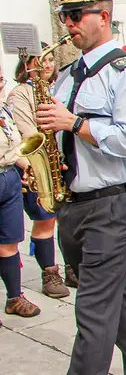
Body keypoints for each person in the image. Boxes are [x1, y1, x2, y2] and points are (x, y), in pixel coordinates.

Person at [39, 0, 126, 373]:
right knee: (113, 302)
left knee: (92, 313)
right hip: (73, 206)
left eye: (75, 16)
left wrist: (73, 123)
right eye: (64, 16)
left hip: (112, 205)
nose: (68, 25)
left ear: (104, 16)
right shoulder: (67, 74)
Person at [9, 44, 77, 295]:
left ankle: (71, 265)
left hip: (61, 161)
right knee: (45, 221)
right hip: (39, 164)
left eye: (49, 60)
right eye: (41, 61)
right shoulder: (19, 93)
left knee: (68, 220)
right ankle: (49, 273)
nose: (46, 65)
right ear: (28, 66)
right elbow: (26, 131)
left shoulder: (56, 88)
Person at [0, 64, 42, 323]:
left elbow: (14, 147)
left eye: (0, 79)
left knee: (10, 241)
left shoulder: (4, 110)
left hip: (9, 178)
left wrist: (28, 167)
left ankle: (14, 297)